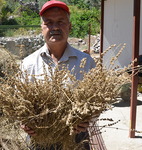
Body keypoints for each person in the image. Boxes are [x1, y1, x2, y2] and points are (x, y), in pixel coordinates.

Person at [20, 0, 96, 149]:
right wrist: (23, 121)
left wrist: (88, 119)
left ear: (69, 26)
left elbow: (96, 103)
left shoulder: (86, 62)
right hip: (39, 139)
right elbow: (19, 103)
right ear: (41, 28)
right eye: (48, 22)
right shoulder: (28, 64)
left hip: (76, 139)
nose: (55, 27)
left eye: (60, 21)